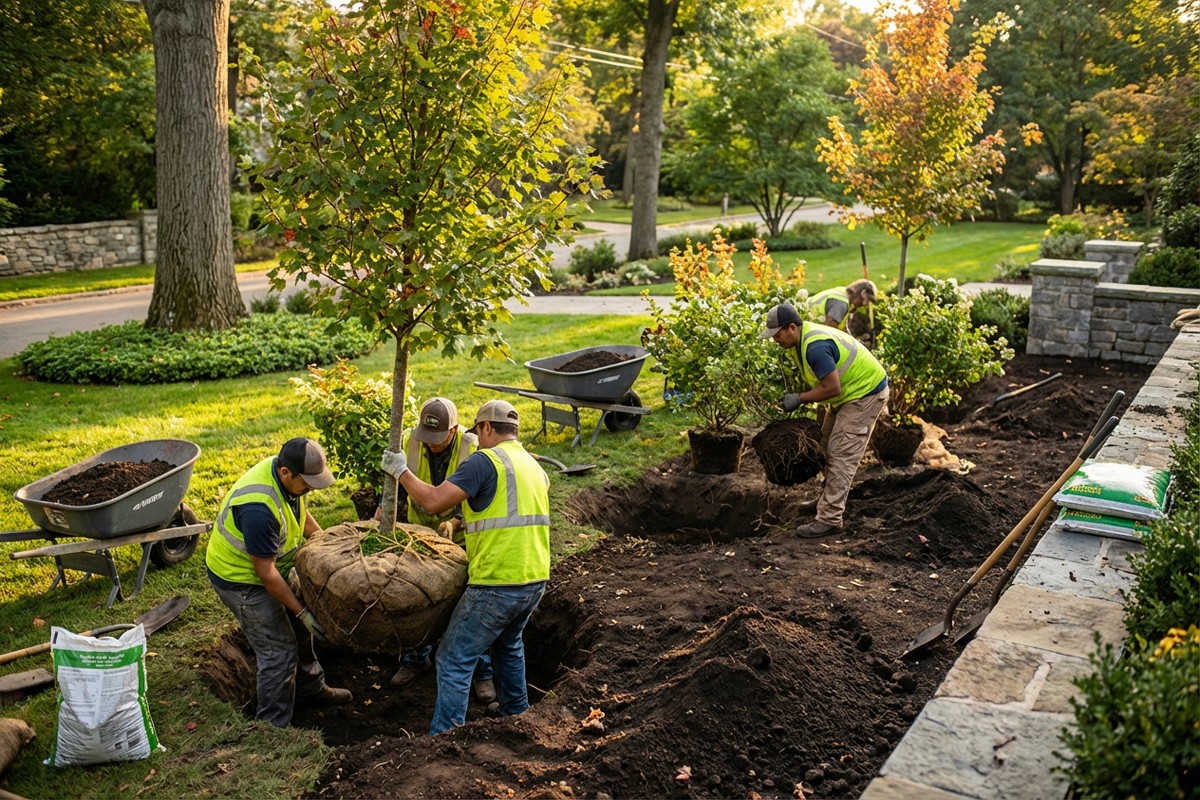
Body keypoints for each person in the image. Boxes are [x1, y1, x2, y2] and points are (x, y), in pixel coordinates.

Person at [380, 399, 550, 736]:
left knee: (453, 658)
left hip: (497, 581)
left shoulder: (484, 461)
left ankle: (445, 736)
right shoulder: (532, 465)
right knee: (508, 645)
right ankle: (517, 714)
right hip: (534, 577)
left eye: (479, 431)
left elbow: (432, 502)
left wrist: (400, 471)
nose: (478, 439)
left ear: (487, 427)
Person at [205, 437, 353, 727]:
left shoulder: (287, 478)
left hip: (272, 570)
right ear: (286, 473)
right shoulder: (258, 507)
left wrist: (327, 543)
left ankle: (311, 690)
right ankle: (272, 727)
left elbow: (299, 511)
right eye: (307, 482)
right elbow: (266, 574)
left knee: (301, 633)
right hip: (242, 581)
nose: (311, 487)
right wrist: (301, 610)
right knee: (278, 651)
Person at [384, 397, 495, 704]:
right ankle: (416, 659)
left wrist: (457, 522)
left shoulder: (473, 447)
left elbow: (482, 493)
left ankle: (482, 673)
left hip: (459, 541)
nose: (431, 445)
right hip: (420, 537)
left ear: (454, 429)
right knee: (415, 599)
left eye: (439, 439)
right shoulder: (409, 441)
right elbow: (397, 488)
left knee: (467, 606)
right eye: (427, 438)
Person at [762, 303, 890, 539]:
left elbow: (832, 387)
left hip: (865, 394)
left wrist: (800, 399)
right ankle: (827, 499)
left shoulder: (815, 347)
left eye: (777, 335)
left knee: (842, 454)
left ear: (792, 327)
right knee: (824, 448)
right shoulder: (800, 341)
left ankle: (829, 518)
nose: (775, 340)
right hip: (847, 396)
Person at [807, 279, 877, 332]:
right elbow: (829, 329)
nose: (864, 304)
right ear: (861, 294)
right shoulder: (841, 302)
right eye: (865, 300)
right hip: (810, 328)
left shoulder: (841, 291)